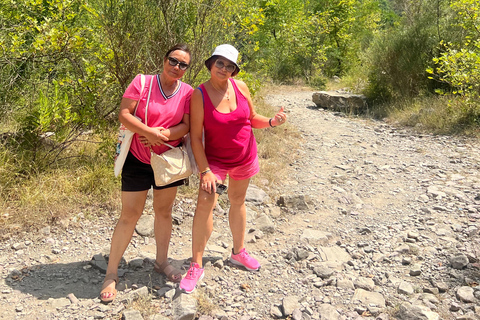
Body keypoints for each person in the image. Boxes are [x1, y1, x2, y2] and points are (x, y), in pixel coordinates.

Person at [179, 44, 287, 293]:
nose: (224, 69)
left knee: (238, 201)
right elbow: (195, 137)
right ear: (211, 64)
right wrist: (205, 171)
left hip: (244, 155)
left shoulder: (240, 87)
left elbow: (252, 118)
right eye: (220, 63)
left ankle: (239, 252)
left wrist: (271, 121)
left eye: (230, 66)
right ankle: (196, 264)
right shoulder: (200, 95)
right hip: (214, 160)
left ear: (234, 71)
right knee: (205, 202)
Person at [100, 44, 193, 303]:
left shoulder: (187, 92)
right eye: (173, 61)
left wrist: (162, 136)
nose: (176, 67)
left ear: (187, 69)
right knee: (129, 214)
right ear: (164, 60)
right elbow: (125, 114)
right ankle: (111, 273)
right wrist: (150, 133)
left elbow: (186, 125)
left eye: (183, 64)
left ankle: (161, 261)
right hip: (137, 160)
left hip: (167, 161)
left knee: (164, 212)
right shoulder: (142, 83)